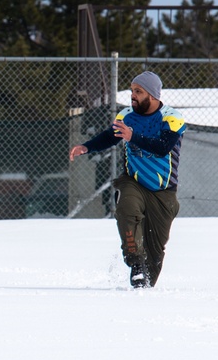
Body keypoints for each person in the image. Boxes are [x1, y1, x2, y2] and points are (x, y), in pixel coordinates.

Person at [69, 71, 186, 288]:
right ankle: (136, 264)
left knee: (156, 251)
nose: (133, 95)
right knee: (126, 208)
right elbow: (110, 136)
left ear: (152, 95)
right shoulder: (126, 116)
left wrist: (133, 137)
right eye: (132, 90)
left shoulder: (171, 117)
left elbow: (163, 148)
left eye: (138, 91)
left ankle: (144, 286)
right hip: (133, 182)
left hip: (163, 191)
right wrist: (87, 146)